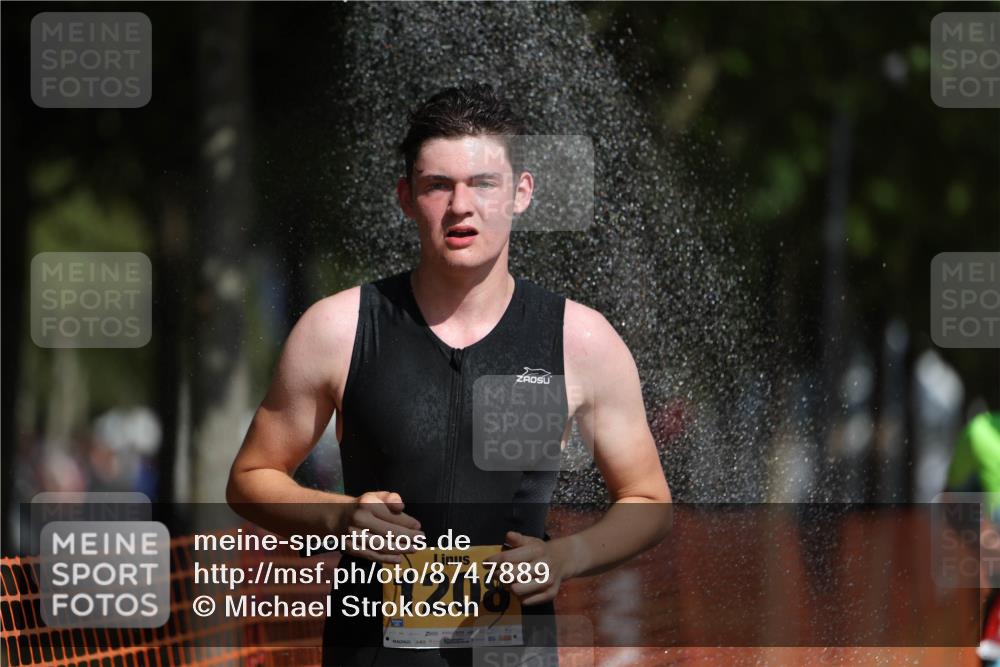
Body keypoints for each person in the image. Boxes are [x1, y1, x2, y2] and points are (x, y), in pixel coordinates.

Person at [226, 84, 671, 666]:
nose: (461, 205)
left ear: (521, 193)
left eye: (483, 183)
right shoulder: (337, 329)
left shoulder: (580, 340)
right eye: (439, 185)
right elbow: (250, 478)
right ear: (407, 198)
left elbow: (649, 499)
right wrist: (339, 517)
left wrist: (567, 558)